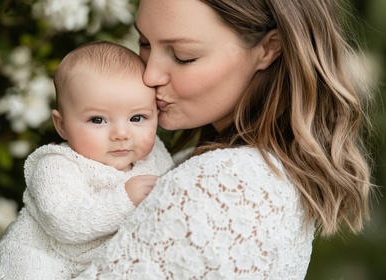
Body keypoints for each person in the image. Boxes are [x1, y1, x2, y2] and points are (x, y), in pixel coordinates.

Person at [74, 0, 375, 279]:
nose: (150, 75)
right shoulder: (236, 167)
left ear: (269, 49)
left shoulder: (225, 181)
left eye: (182, 56)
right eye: (144, 44)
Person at [0, 41, 174, 280]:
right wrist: (124, 199)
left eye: (137, 117)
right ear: (62, 125)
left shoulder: (154, 153)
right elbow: (64, 222)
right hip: (46, 256)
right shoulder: (57, 166)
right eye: (98, 120)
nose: (121, 134)